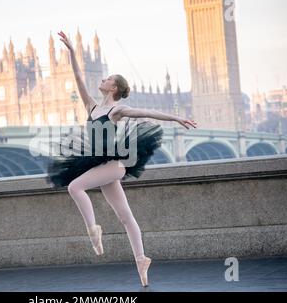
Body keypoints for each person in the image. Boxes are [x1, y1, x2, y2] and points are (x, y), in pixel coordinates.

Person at [46, 31, 198, 287]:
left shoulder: (117, 110)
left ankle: (93, 231)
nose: (102, 79)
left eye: (106, 78)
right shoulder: (92, 107)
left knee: (75, 186)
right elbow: (78, 78)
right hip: (98, 164)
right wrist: (72, 52)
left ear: (113, 88)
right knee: (126, 217)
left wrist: (176, 118)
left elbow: (146, 111)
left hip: (114, 164)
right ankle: (141, 260)